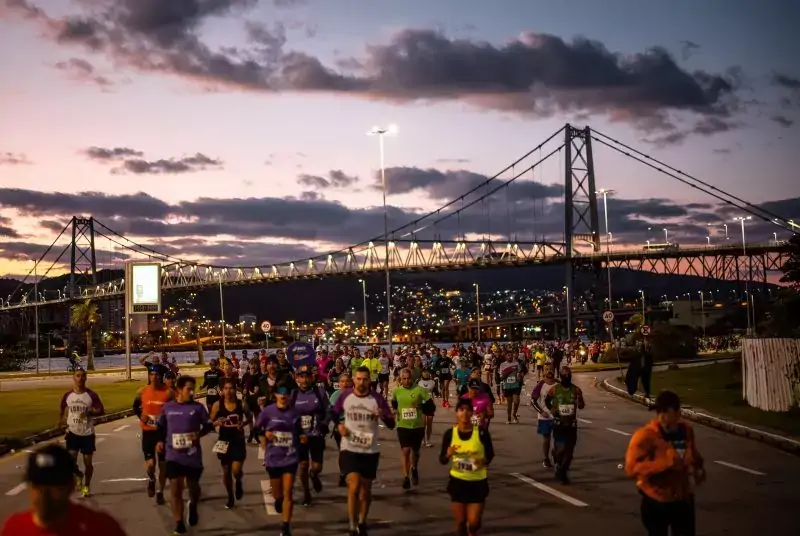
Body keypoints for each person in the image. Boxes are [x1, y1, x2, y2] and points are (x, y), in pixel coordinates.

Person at [626, 390, 705, 536]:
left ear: (677, 414)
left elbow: (693, 455)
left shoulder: (686, 431)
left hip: (682, 498)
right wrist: (664, 464)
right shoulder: (645, 436)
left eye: (665, 412)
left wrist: (698, 467)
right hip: (656, 499)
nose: (661, 417)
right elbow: (632, 468)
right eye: (659, 412)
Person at [1, 444, 127, 536]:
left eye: (55, 485)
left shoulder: (101, 528)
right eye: (38, 485)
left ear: (71, 486)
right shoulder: (14, 530)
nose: (45, 494)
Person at [330, 366, 396, 536]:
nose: (361, 382)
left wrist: (383, 415)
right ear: (354, 379)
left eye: (365, 379)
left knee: (365, 490)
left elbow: (391, 424)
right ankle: (352, 526)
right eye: (358, 378)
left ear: (369, 380)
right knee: (353, 486)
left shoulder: (377, 398)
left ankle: (362, 521)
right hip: (349, 447)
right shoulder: (345, 396)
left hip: (369, 449)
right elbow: (333, 413)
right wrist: (339, 426)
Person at [156, 375, 213, 535]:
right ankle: (179, 522)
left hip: (192, 456)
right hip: (173, 455)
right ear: (179, 390)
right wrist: (160, 441)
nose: (192, 392)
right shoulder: (168, 408)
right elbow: (161, 427)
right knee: (176, 489)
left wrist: (199, 434)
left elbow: (208, 425)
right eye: (189, 389)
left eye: (193, 389)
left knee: (193, 488)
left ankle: (193, 504)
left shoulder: (198, 408)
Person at [256, 385, 307, 536]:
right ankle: (279, 500)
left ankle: (286, 526)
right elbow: (257, 428)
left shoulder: (295, 413)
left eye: (286, 394)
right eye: (280, 394)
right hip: (273, 457)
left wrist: (302, 437)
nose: (283, 397)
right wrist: (266, 434)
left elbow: (300, 431)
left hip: (290, 457)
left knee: (289, 492)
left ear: (290, 396)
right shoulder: (268, 411)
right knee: (278, 495)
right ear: (275, 396)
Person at [440, 398, 494, 536]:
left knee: (474, 522)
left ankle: (474, 530)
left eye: (467, 410)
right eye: (461, 410)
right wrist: (448, 454)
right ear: (456, 413)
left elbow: (490, 455)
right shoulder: (450, 434)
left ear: (472, 413)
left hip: (477, 483)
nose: (464, 413)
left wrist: (482, 462)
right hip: (458, 482)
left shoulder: (481, 433)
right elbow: (442, 460)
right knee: (460, 522)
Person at [58, 368, 105, 498]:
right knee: (70, 460)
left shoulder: (91, 395)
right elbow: (62, 408)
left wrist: (90, 412)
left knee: (88, 463)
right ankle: (78, 474)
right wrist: (61, 421)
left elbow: (101, 410)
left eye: (82, 376)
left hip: (87, 433)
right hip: (73, 432)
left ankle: (86, 485)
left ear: (86, 378)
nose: (80, 378)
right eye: (77, 376)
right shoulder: (68, 395)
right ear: (74, 378)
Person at [132, 364, 173, 504]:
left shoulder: (168, 393)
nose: (154, 377)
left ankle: (160, 492)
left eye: (157, 375)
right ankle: (151, 479)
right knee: (150, 465)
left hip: (163, 434)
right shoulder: (142, 391)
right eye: (151, 374)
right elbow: (135, 407)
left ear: (162, 377)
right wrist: (141, 416)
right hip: (148, 432)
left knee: (163, 466)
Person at [392, 368, 436, 490]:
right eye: (404, 378)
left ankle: (414, 468)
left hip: (417, 426)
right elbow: (394, 402)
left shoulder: (420, 390)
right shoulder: (397, 391)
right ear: (400, 379)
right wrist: (395, 410)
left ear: (412, 378)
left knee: (415, 452)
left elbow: (431, 406)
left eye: (408, 378)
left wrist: (421, 405)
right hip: (403, 426)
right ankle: (406, 477)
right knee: (405, 451)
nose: (406, 381)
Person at [292, 365, 330, 506]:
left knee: (317, 467)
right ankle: (306, 493)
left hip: (316, 435)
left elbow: (329, 409)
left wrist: (325, 423)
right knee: (302, 465)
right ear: (297, 378)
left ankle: (313, 475)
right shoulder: (294, 394)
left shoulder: (319, 392)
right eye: (302, 376)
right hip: (300, 436)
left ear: (311, 377)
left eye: (307, 376)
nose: (305, 379)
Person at [209, 377, 250, 509]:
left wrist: (243, 424)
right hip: (224, 440)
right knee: (226, 471)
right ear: (222, 391)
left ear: (235, 389)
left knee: (236, 470)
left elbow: (250, 418)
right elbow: (209, 422)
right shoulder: (217, 405)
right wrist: (216, 423)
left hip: (238, 440)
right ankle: (230, 495)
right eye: (225, 388)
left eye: (231, 388)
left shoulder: (241, 404)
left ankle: (238, 481)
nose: (228, 391)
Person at [544, 365, 585, 484]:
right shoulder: (555, 389)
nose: (567, 378)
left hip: (571, 424)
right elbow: (547, 400)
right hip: (559, 423)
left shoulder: (576, 390)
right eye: (565, 376)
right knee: (560, 449)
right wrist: (551, 408)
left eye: (569, 376)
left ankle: (562, 471)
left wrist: (580, 401)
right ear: (561, 377)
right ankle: (557, 460)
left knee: (570, 451)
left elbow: (582, 405)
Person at [530, 365, 557, 468]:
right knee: (547, 439)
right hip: (545, 417)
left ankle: (555, 452)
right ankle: (546, 458)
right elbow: (533, 401)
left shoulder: (558, 384)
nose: (549, 371)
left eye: (551, 369)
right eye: (547, 369)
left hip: (557, 416)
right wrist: (541, 411)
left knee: (558, 438)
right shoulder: (540, 384)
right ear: (544, 372)